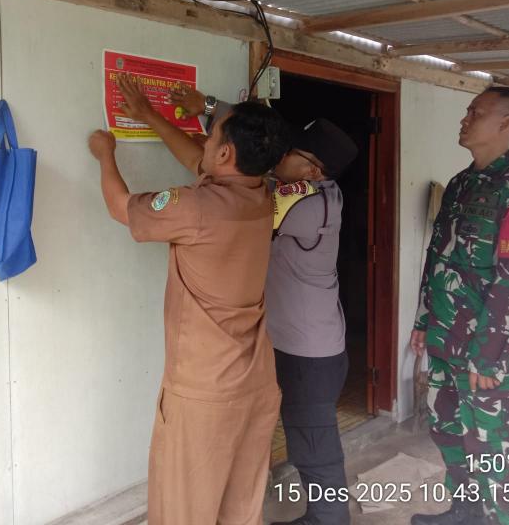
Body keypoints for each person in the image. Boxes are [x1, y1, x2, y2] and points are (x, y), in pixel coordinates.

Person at [88, 74, 292, 525]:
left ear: (226, 154)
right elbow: (196, 159)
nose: (205, 140)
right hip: (256, 383)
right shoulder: (260, 194)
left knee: (183, 509)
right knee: (239, 508)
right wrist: (148, 115)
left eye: (212, 134)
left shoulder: (195, 207)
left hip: (205, 392)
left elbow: (121, 207)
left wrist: (105, 154)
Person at [170, 87, 358, 525]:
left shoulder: (305, 204)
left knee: (314, 447)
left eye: (289, 152)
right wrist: (211, 108)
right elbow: (258, 141)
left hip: (308, 353)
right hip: (300, 343)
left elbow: (230, 183)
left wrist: (209, 145)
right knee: (301, 436)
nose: (279, 153)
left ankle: (330, 519)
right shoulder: (311, 188)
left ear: (313, 169)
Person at [410, 86, 509, 525]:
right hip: (446, 337)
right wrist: (424, 319)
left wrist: (489, 354)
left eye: (475, 112)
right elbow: (437, 256)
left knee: (496, 443)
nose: (465, 119)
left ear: (505, 123)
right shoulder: (461, 184)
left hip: (487, 350)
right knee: (448, 429)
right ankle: (466, 510)